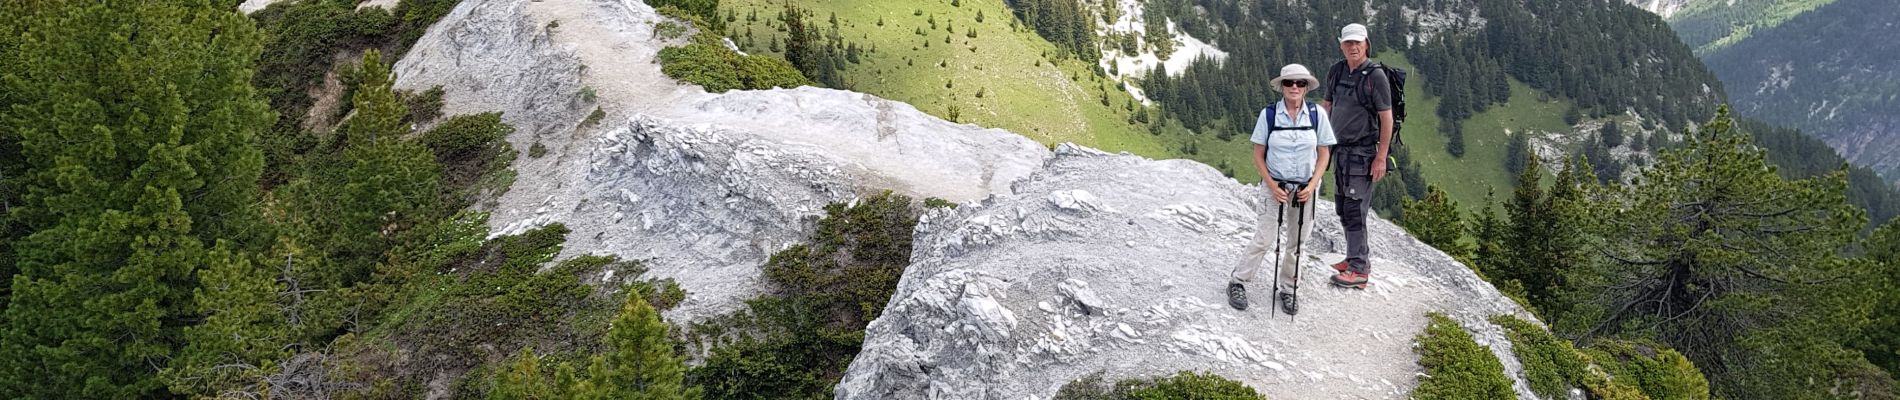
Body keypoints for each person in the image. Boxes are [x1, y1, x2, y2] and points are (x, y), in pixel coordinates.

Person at [1228, 64, 1335, 315]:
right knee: (1265, 237)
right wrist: (1272, 185)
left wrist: (1312, 185)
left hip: (1305, 188)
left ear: (1306, 86)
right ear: (1282, 87)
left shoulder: (1317, 114)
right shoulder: (1268, 115)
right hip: (1274, 185)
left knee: (1297, 243)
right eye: (1289, 83)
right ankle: (1238, 281)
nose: (1294, 87)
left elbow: (1324, 154)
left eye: (1299, 83)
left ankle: (1288, 289)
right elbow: (1258, 154)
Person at [1322, 23, 1393, 290]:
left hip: (1363, 152)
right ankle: (1353, 257)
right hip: (1339, 150)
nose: (1353, 47)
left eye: (1357, 43)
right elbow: (1328, 106)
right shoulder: (1337, 71)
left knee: (1355, 208)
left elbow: (1387, 118)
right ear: (1341, 44)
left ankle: (1359, 269)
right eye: (1348, 43)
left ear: (1366, 44)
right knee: (1342, 205)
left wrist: (1381, 157)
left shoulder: (1376, 77)